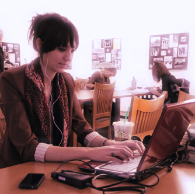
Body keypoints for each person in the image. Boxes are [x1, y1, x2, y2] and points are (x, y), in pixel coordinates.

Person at [0, 13, 144, 168]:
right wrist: (89, 152)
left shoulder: (65, 80)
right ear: (40, 44)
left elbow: (82, 127)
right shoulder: (12, 79)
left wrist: (109, 143)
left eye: (72, 49)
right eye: (62, 49)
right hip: (19, 169)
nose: (69, 57)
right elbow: (28, 148)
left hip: (56, 166)